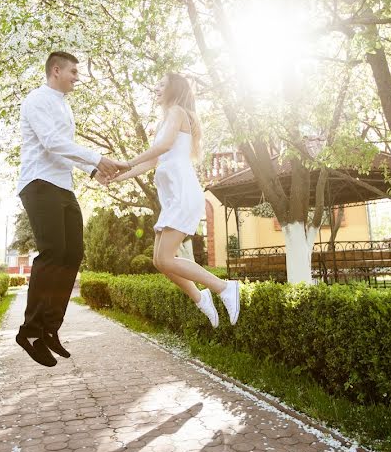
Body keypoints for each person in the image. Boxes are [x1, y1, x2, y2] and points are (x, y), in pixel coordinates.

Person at [15, 51, 127, 367]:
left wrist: (93, 172)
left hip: (63, 186)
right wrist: (96, 159)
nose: (77, 77)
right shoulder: (37, 100)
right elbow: (50, 143)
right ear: (56, 70)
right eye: (74, 72)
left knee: (73, 253)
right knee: (52, 252)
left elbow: (62, 151)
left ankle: (50, 328)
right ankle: (30, 332)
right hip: (38, 183)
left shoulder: (64, 106)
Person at [109, 73, 240, 327]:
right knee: (160, 261)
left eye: (161, 84)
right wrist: (119, 175)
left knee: (166, 258)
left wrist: (126, 161)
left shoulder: (178, 112)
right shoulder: (164, 122)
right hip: (172, 198)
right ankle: (200, 297)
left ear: (174, 90)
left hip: (183, 193)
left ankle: (224, 288)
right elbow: (152, 160)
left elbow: (164, 146)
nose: (155, 87)